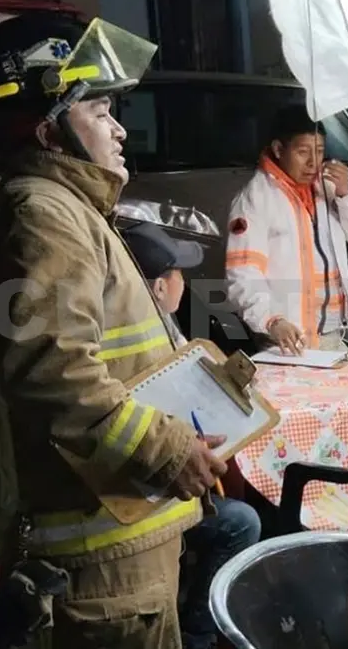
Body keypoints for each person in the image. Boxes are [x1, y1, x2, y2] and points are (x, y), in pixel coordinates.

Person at [0, 13, 226, 648]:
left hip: (115, 532)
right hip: (93, 555)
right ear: (49, 129)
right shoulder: (42, 216)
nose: (120, 129)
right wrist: (166, 449)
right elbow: (53, 371)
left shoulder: (67, 209)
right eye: (100, 111)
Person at [121, 221, 263, 649]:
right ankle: (198, 636)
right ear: (160, 287)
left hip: (149, 477)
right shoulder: (146, 338)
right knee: (241, 522)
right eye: (179, 272)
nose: (186, 280)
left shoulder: (159, 324)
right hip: (143, 492)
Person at [225, 105, 348, 354]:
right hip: (286, 340)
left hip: (332, 335)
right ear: (278, 149)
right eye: (302, 152)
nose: (313, 163)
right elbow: (243, 273)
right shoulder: (256, 199)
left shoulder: (327, 189)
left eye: (319, 152)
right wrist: (271, 319)